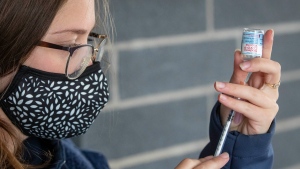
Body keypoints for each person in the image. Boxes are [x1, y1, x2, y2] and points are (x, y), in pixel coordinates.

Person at [0, 0, 280, 169]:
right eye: (67, 44)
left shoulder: (70, 159)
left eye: (88, 40)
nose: (87, 62)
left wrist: (238, 139)